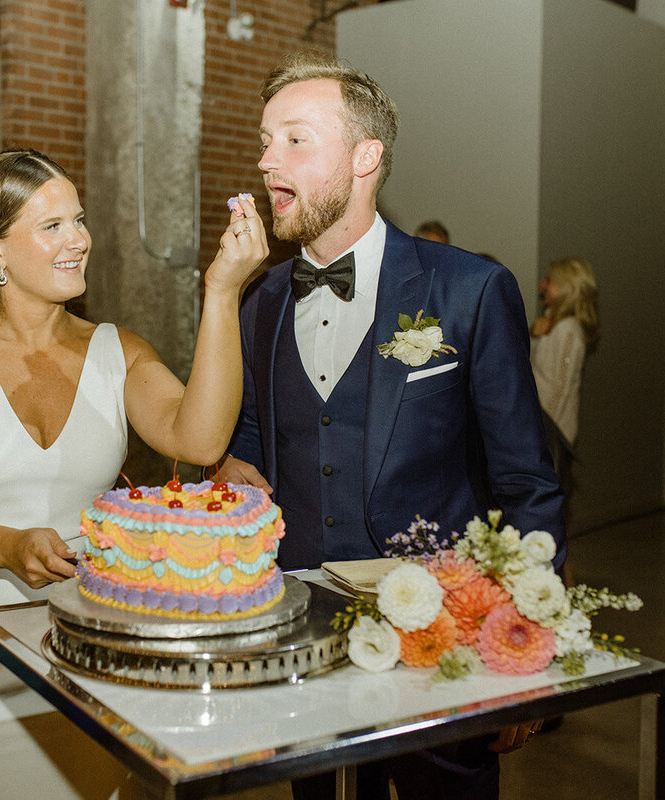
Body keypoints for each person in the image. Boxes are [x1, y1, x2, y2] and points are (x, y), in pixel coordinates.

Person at [0, 149, 267, 800]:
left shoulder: (118, 351)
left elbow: (201, 435)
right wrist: (5, 545)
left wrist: (223, 292)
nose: (79, 239)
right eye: (52, 227)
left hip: (88, 651)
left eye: (78, 220)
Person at [214, 51, 564, 800]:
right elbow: (248, 444)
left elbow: (528, 483)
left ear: (365, 157)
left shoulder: (470, 290)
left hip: (439, 649)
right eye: (266, 139)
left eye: (295, 140)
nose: (266, 158)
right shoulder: (262, 302)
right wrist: (227, 472)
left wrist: (523, 647)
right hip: (303, 649)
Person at [529, 256, 599, 508]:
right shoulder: (550, 325)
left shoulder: (569, 329)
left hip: (551, 431)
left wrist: (544, 437)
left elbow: (561, 387)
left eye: (549, 281)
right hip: (540, 426)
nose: (542, 286)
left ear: (566, 287)